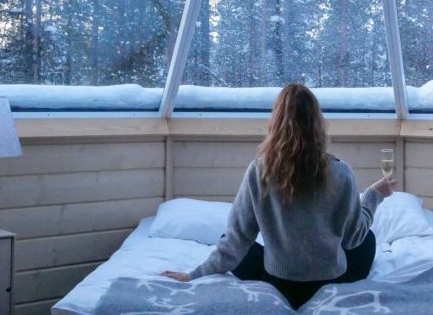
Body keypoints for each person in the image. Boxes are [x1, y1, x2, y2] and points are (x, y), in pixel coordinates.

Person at [162, 83, 397, 309]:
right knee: (368, 240)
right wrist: (373, 195)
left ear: (275, 123)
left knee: (236, 244)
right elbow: (354, 239)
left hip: (279, 281)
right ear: (318, 122)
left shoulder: (259, 170)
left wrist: (194, 274)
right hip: (330, 279)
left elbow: (237, 238)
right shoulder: (341, 172)